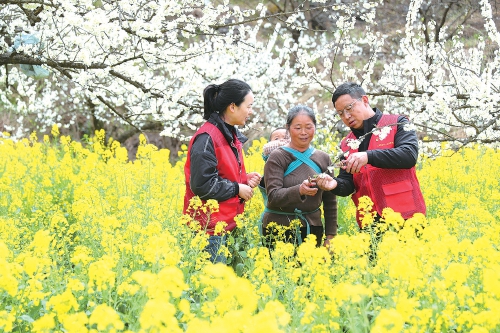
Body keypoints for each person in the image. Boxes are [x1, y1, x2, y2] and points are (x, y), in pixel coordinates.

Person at [315, 82, 426, 232]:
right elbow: (348, 183)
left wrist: (368, 156)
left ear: (365, 100)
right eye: (340, 113)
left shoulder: (397, 123)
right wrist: (334, 185)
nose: (346, 116)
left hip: (406, 217)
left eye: (349, 108)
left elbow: (409, 155)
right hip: (370, 221)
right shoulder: (346, 143)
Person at [183, 79, 262, 263]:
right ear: (232, 106)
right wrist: (237, 188)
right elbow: (202, 185)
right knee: (213, 287)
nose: (250, 111)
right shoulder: (207, 138)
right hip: (209, 231)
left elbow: (224, 174)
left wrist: (245, 179)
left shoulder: (229, 135)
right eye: (248, 106)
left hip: (227, 225)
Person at [261, 105, 337, 248]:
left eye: (308, 127)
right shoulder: (277, 157)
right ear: (288, 128)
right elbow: (273, 196)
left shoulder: (323, 158)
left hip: (313, 228)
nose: (304, 132)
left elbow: (330, 201)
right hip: (278, 229)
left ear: (315, 127)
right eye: (297, 128)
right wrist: (299, 190)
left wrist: (330, 235)